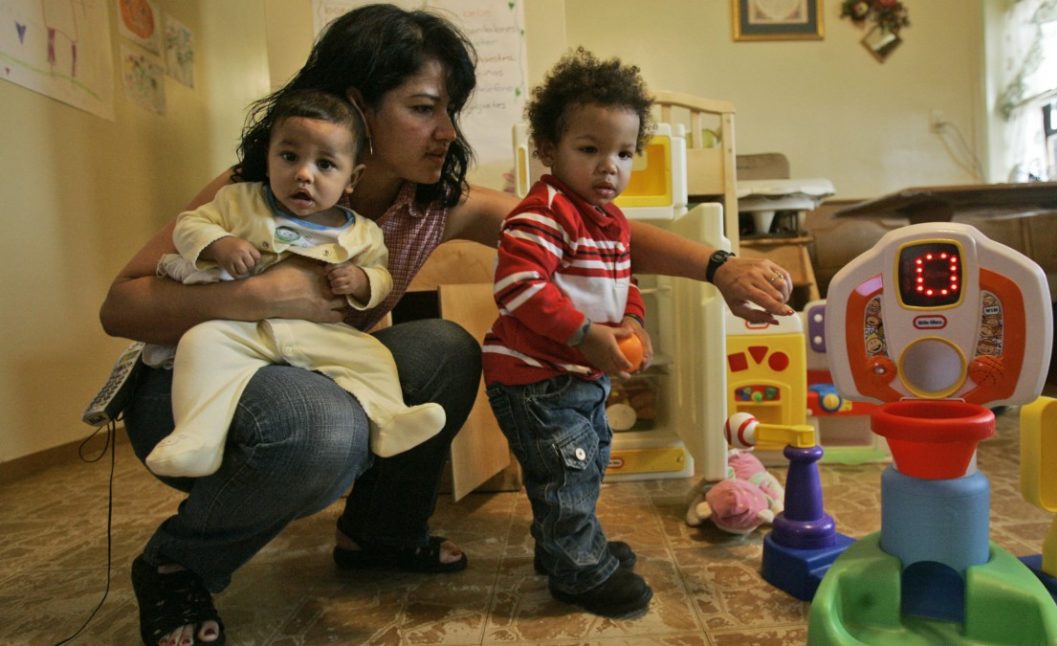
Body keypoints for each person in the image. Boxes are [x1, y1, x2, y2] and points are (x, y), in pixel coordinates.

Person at [98, 4, 795, 644]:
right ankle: (177, 567)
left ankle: (380, 535)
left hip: (316, 370)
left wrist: (719, 266)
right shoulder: (260, 187)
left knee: (446, 348)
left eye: (450, 110)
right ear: (357, 105)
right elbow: (120, 305)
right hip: (197, 390)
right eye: (425, 108)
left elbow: (580, 227)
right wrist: (260, 295)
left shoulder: (431, 203)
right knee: (324, 428)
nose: (447, 132)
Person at [144, 89, 446, 478]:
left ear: (351, 178)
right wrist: (221, 244)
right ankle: (196, 437)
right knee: (200, 346)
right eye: (289, 157)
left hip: (314, 334)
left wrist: (359, 281)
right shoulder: (239, 202)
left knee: (371, 357)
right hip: (240, 330)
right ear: (268, 158)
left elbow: (382, 276)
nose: (304, 174)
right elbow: (190, 224)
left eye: (325, 164)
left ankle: (390, 418)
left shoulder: (361, 234)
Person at [482, 48, 656, 617]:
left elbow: (622, 283)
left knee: (590, 459)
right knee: (568, 467)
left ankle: (565, 547)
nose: (610, 166)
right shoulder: (546, 212)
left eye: (624, 153)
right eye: (590, 149)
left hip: (579, 373)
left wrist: (631, 320)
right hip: (535, 377)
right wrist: (584, 334)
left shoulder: (613, 221)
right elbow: (519, 286)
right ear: (548, 150)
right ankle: (577, 572)